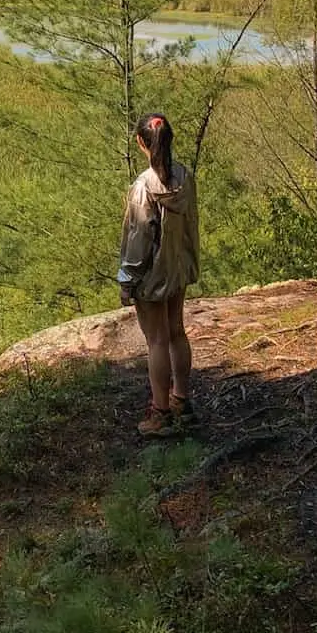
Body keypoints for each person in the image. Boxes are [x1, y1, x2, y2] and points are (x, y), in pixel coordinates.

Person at [116, 112, 199, 436]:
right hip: (177, 267)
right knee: (177, 332)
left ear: (140, 142)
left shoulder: (143, 188)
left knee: (156, 341)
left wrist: (127, 282)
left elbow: (138, 242)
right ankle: (182, 401)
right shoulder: (185, 177)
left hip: (151, 275)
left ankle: (160, 413)